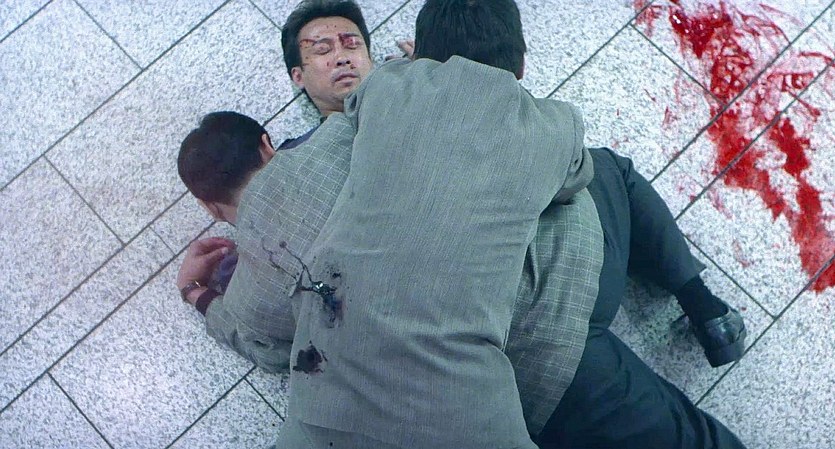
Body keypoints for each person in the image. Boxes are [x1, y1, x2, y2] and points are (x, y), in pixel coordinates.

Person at [176, 0, 746, 446]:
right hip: (549, 318)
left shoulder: (382, 106)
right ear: (296, 81)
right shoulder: (337, 139)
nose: (342, 58)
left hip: (505, 371)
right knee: (606, 169)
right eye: (322, 50)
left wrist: (199, 296)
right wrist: (449, 76)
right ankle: (702, 302)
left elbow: (265, 340)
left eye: (351, 43)